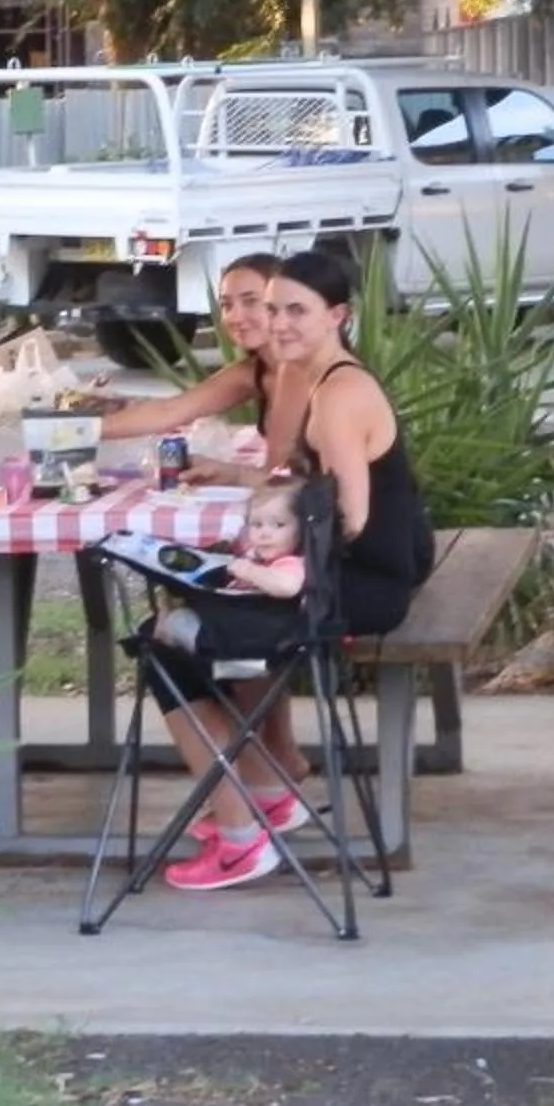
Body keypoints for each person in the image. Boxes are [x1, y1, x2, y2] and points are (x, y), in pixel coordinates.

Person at [147, 246, 433, 893]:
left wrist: (277, 571)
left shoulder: (340, 395)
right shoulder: (327, 379)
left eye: (295, 312)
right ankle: (270, 792)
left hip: (356, 591)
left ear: (338, 315)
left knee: (167, 646)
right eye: (272, 309)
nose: (278, 325)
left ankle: (243, 838)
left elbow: (351, 518)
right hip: (351, 579)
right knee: (187, 609)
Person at [98, 251, 283, 472]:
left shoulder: (313, 370)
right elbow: (170, 410)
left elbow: (281, 472)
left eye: (251, 301)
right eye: (226, 305)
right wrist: (76, 431)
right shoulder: (252, 372)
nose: (235, 316)